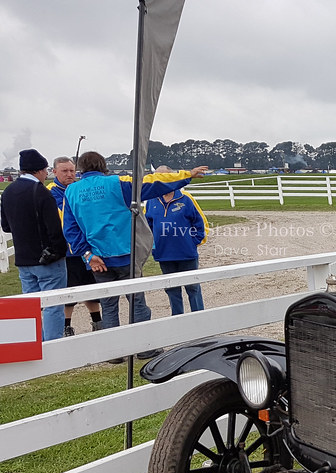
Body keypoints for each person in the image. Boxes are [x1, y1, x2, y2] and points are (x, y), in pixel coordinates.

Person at [62, 151, 207, 360]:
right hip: (125, 254)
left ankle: (114, 353)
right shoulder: (117, 183)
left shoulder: (72, 191)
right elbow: (153, 184)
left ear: (81, 168)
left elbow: (70, 228)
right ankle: (145, 347)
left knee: (109, 305)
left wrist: (87, 254)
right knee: (137, 302)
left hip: (97, 259)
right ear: (103, 166)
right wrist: (186, 175)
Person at [0, 149, 68, 341]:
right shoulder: (42, 193)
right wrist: (59, 251)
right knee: (53, 304)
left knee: (30, 304)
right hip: (47, 258)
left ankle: (33, 341)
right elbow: (54, 228)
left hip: (23, 258)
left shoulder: (8, 192)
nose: (46, 174)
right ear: (39, 170)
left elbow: (6, 225)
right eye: (45, 170)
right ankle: (52, 343)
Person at [48, 156, 103, 336]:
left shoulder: (79, 189)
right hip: (67, 250)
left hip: (86, 248)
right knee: (69, 289)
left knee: (91, 287)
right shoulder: (52, 192)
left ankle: (97, 321)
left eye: (72, 171)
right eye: (64, 171)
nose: (69, 174)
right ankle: (66, 325)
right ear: (54, 172)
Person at [145, 172, 208, 315]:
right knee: (172, 289)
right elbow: (147, 227)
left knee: (192, 287)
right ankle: (177, 320)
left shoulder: (185, 199)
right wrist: (154, 246)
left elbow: (199, 223)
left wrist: (192, 242)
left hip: (186, 254)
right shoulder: (151, 202)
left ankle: (199, 318)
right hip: (164, 255)